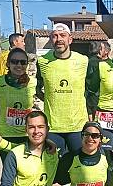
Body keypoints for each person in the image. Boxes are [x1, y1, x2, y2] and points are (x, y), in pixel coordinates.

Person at [36, 23, 88, 154]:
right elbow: (37, 89)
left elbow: (92, 89)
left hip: (78, 126)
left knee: (79, 169)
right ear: (51, 39)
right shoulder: (42, 61)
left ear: (70, 39)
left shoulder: (83, 61)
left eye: (63, 35)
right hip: (53, 127)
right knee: (55, 170)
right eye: (55, 36)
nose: (59, 39)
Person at [0, 48, 36, 154]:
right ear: (8, 64)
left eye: (23, 62)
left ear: (27, 64)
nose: (19, 65)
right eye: (14, 61)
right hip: (5, 135)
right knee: (9, 169)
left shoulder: (34, 82)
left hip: (28, 135)